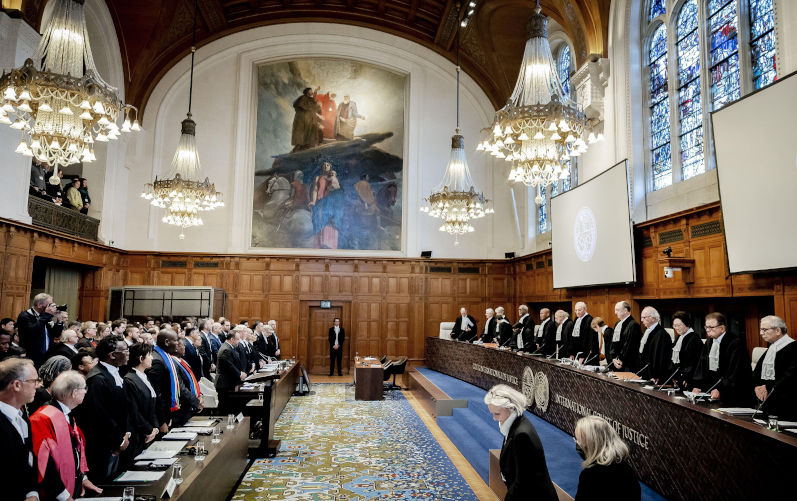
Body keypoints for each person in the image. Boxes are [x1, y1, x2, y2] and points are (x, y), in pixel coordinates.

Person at [30, 371, 103, 500]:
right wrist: (63, 495)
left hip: (72, 488)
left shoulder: (66, 413)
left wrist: (83, 478)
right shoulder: (42, 419)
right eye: (84, 388)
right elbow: (44, 463)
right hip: (55, 494)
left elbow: (75, 450)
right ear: (74, 393)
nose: (86, 392)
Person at [484, 384, 557, 501]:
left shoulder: (522, 435)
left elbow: (523, 482)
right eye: (492, 414)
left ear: (511, 408)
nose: (494, 418)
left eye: (497, 414)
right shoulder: (512, 424)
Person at [74, 335, 130, 483]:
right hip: (103, 446)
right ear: (112, 355)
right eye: (125, 350)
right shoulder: (97, 379)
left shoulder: (114, 372)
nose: (128, 353)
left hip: (117, 439)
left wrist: (125, 434)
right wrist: (118, 441)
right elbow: (99, 415)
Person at [0, 358, 41, 501]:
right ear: (17, 385)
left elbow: (28, 464)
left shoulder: (22, 418)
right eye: (34, 381)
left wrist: (32, 493)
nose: (37, 386)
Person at [691, 312, 753, 406]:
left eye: (711, 327)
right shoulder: (709, 342)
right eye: (706, 327)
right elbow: (702, 366)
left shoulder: (735, 343)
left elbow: (735, 373)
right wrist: (698, 386)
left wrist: (721, 389)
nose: (707, 330)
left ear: (722, 328)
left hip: (733, 394)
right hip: (712, 391)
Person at [573, 416, 640, 501]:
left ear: (590, 444)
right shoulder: (627, 469)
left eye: (577, 440)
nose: (577, 444)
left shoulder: (590, 475)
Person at [752, 315, 797, 419]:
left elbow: (790, 377)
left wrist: (769, 388)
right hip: (768, 403)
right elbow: (756, 373)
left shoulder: (794, 348)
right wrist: (757, 386)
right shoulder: (771, 348)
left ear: (778, 330)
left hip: (788, 405)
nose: (761, 333)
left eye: (764, 330)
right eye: (760, 329)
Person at [124, 343, 159, 461]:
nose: (152, 358)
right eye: (149, 355)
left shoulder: (144, 376)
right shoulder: (130, 380)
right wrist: (149, 430)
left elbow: (153, 405)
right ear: (141, 358)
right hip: (138, 434)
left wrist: (155, 428)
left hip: (148, 431)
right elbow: (134, 411)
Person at [147, 329, 183, 433]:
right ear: (167, 342)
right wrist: (162, 421)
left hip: (165, 412)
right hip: (159, 417)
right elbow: (156, 394)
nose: (178, 343)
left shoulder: (164, 356)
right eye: (175, 340)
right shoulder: (157, 361)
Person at [17, 293, 58, 367]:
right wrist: (47, 315)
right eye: (49, 305)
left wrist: (59, 321)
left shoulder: (44, 316)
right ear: (39, 305)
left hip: (47, 356)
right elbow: (32, 331)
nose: (51, 308)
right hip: (32, 357)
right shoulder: (25, 316)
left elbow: (56, 334)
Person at [215, 330, 247, 414]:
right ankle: (223, 425)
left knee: (229, 406)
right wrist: (240, 374)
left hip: (228, 382)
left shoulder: (229, 347)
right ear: (232, 339)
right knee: (224, 407)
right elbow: (230, 366)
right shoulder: (226, 349)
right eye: (237, 339)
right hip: (224, 383)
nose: (238, 342)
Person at [637, 306, 672, 382]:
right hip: (645, 373)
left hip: (655, 377)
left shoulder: (661, 334)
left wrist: (656, 375)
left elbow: (661, 357)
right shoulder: (647, 331)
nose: (641, 320)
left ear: (652, 318)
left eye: (644, 317)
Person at [670, 311, 702, 390]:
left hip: (690, 380)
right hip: (679, 379)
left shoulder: (694, 338)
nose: (676, 328)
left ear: (687, 323)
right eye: (674, 325)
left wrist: (687, 377)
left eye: (679, 325)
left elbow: (695, 362)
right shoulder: (679, 337)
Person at [611, 301, 642, 372]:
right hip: (617, 362)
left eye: (617, 310)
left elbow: (630, 345)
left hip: (628, 364)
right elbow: (613, 342)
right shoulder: (617, 324)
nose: (615, 312)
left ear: (625, 310)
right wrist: (613, 358)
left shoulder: (633, 325)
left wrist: (621, 359)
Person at [291, 87, 323, 151]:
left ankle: (307, 144)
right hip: (302, 119)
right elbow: (301, 106)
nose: (312, 92)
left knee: (309, 131)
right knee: (301, 133)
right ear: (307, 92)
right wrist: (308, 110)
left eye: (312, 91)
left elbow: (313, 102)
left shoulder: (310, 99)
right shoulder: (303, 98)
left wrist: (316, 92)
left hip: (308, 119)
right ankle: (300, 145)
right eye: (311, 91)